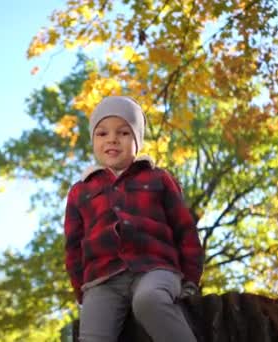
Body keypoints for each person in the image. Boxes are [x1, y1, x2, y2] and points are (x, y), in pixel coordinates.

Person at [63, 96, 204, 341]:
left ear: (137, 140)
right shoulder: (81, 190)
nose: (112, 139)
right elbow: (73, 246)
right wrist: (81, 290)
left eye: (124, 132)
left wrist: (190, 279)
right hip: (102, 279)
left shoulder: (158, 178)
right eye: (102, 133)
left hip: (156, 269)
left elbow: (185, 230)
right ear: (93, 140)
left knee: (149, 300)